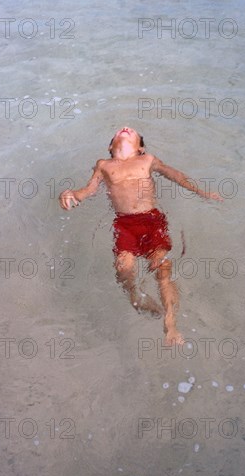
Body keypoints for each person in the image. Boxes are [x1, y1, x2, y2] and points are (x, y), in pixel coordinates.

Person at [59, 127, 223, 345]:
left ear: (141, 148)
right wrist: (72, 195)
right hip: (124, 223)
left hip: (151, 220)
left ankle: (170, 324)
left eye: (131, 132)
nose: (125, 129)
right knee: (123, 267)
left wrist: (201, 192)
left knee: (161, 267)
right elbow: (88, 190)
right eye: (118, 132)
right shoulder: (104, 165)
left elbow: (175, 175)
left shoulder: (148, 160)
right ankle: (135, 296)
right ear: (110, 147)